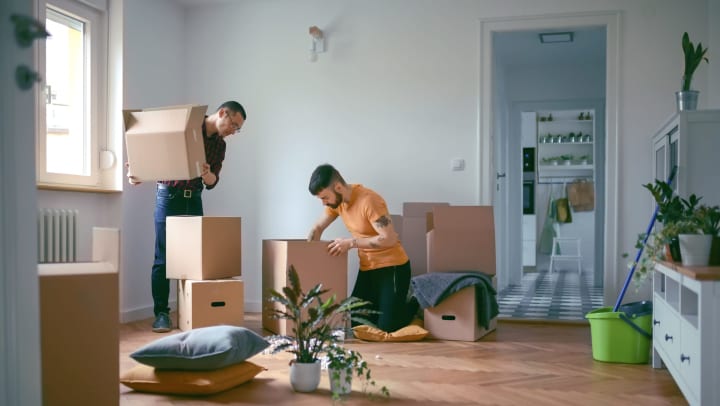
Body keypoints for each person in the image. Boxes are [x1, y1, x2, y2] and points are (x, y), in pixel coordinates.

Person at [127, 101, 247, 332]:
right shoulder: (185, 126)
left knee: (194, 261)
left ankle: (192, 311)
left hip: (194, 198)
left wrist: (209, 174)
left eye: (237, 128)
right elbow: (155, 154)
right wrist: (137, 172)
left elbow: (212, 183)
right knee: (163, 259)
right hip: (168, 197)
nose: (233, 131)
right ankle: (161, 314)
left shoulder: (220, 146)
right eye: (233, 124)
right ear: (222, 113)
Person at [307, 163, 417, 333]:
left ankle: (413, 303)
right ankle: (388, 305)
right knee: (358, 322)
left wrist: (351, 243)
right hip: (368, 268)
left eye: (324, 197)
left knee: (387, 328)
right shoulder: (338, 203)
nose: (324, 203)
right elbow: (317, 228)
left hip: (393, 267)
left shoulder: (370, 201)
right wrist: (308, 257)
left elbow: (388, 239)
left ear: (337, 187)